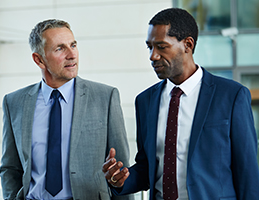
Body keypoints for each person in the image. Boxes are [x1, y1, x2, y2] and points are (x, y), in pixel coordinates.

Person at [102, 8, 259, 200]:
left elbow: (247, 173)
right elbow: (147, 168)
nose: (153, 56)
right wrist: (121, 179)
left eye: (161, 46)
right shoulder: (145, 101)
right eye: (149, 47)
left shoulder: (232, 96)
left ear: (188, 44)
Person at [0, 19, 132, 200]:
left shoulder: (105, 97)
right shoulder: (14, 102)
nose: (72, 55)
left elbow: (120, 169)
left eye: (73, 45)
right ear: (39, 59)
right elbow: (10, 167)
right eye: (60, 48)